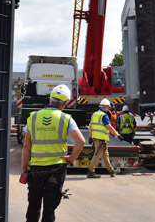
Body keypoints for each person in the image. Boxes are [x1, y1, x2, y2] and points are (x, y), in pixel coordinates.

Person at [21, 84, 85, 222]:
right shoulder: (66, 119)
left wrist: (24, 167)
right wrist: (71, 158)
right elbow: (80, 141)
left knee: (33, 204)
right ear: (65, 102)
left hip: (36, 169)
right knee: (50, 207)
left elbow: (26, 145)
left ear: (50, 99)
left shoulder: (33, 117)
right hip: (56, 169)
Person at [87, 99, 123, 178]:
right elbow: (109, 127)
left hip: (97, 139)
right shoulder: (104, 116)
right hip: (101, 140)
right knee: (97, 155)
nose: (109, 109)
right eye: (108, 107)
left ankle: (112, 171)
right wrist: (117, 135)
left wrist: (90, 137)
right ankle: (91, 171)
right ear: (106, 107)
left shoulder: (94, 114)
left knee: (105, 155)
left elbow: (90, 126)